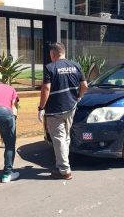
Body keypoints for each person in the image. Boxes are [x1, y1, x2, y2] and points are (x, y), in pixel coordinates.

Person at [38, 42, 88, 180]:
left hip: (55, 110)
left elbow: (46, 89)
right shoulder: (76, 65)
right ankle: (63, 164)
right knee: (65, 136)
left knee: (59, 138)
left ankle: (64, 170)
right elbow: (84, 85)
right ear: (63, 52)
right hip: (71, 107)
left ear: (53, 54)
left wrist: (41, 108)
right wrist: (78, 97)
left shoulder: (50, 67)